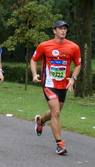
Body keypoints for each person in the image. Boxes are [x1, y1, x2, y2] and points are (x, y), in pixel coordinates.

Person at [30, 20, 81, 155]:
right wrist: (35, 74)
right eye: (60, 29)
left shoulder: (73, 47)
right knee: (56, 112)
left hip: (63, 85)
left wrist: (73, 79)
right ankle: (59, 144)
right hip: (49, 84)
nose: (63, 31)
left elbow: (78, 64)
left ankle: (40, 120)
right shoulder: (44, 45)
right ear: (54, 31)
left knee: (55, 112)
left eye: (65, 28)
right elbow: (34, 59)